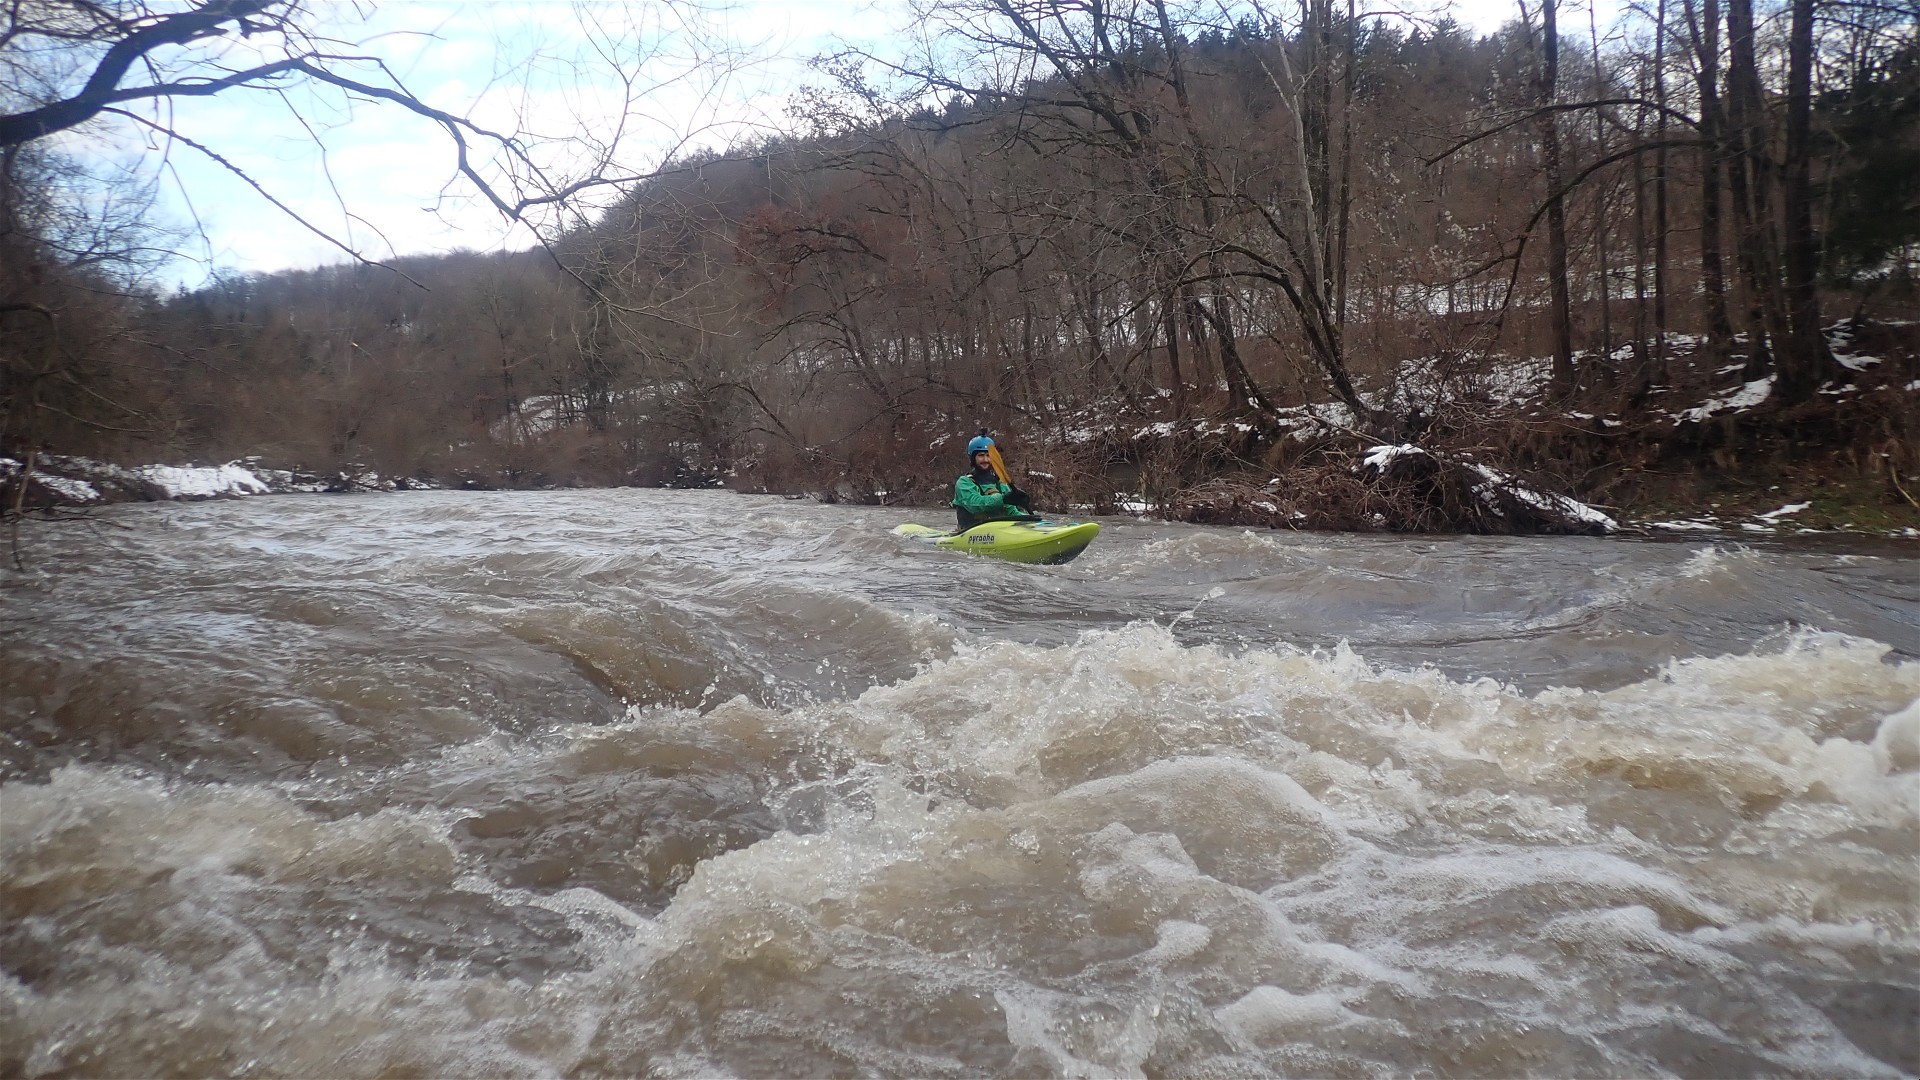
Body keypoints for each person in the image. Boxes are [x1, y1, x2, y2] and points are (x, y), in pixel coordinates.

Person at [953, 432, 1037, 531]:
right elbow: (975, 504)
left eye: (989, 456)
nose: (985, 459)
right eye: (981, 455)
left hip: (998, 532)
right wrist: (1003, 498)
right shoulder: (964, 482)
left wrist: (1029, 520)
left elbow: (1011, 512)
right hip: (969, 532)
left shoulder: (1000, 483)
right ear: (972, 458)